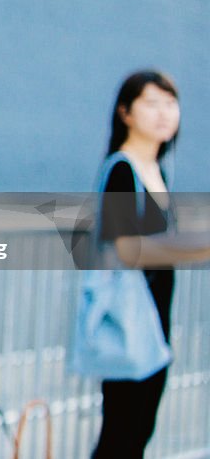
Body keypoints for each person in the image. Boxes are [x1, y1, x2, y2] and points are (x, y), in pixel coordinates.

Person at [91, 70, 210, 458]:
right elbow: (127, 249)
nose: (165, 113)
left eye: (171, 103)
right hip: (128, 323)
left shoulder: (157, 171)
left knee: (138, 431)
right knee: (121, 435)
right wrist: (196, 247)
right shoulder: (122, 170)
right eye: (152, 103)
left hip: (153, 324)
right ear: (125, 112)